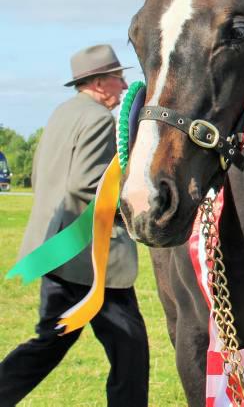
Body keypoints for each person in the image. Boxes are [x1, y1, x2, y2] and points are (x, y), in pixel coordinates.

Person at [0, 45, 149, 406]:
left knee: (49, 344)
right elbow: (86, 183)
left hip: (55, 251)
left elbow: (42, 176)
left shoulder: (61, 113)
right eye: (118, 78)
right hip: (88, 259)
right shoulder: (98, 120)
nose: (124, 85)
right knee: (130, 351)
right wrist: (134, 199)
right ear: (98, 83)